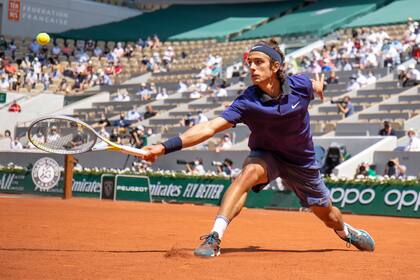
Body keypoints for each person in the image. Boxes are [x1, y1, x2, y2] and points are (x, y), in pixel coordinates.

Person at [138, 39, 375, 257]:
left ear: (275, 67)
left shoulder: (300, 85)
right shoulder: (247, 101)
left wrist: (319, 89)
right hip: (267, 156)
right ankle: (214, 237)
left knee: (329, 217)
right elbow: (209, 128)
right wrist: (163, 147)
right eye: (249, 63)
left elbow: (314, 86)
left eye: (258, 62)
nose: (251, 67)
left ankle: (346, 232)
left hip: (301, 162)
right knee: (247, 175)